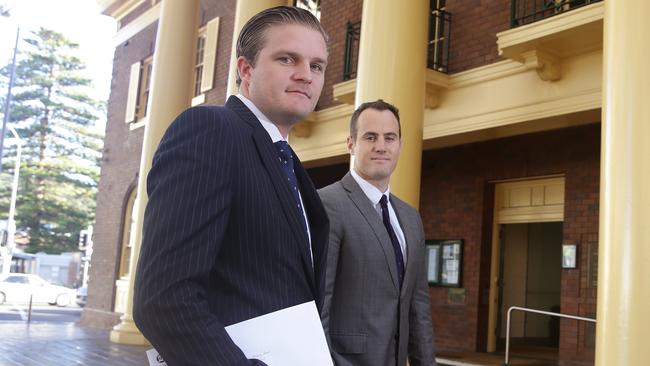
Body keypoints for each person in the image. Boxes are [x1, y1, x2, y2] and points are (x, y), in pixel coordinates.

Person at [133, 6, 330, 366]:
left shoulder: (285, 159)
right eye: (288, 59)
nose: (306, 75)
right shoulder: (209, 130)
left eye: (316, 66)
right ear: (246, 68)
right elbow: (164, 300)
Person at [319, 100, 436, 366]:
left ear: (400, 145)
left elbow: (419, 309)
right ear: (351, 144)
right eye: (370, 137)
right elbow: (319, 305)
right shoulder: (327, 205)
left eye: (390, 138)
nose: (381, 146)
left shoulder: (410, 217)